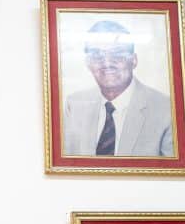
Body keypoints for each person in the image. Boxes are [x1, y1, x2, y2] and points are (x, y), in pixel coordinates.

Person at [63, 20, 174, 157]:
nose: (107, 63)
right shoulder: (74, 105)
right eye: (97, 55)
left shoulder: (166, 109)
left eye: (117, 54)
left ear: (134, 60)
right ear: (88, 63)